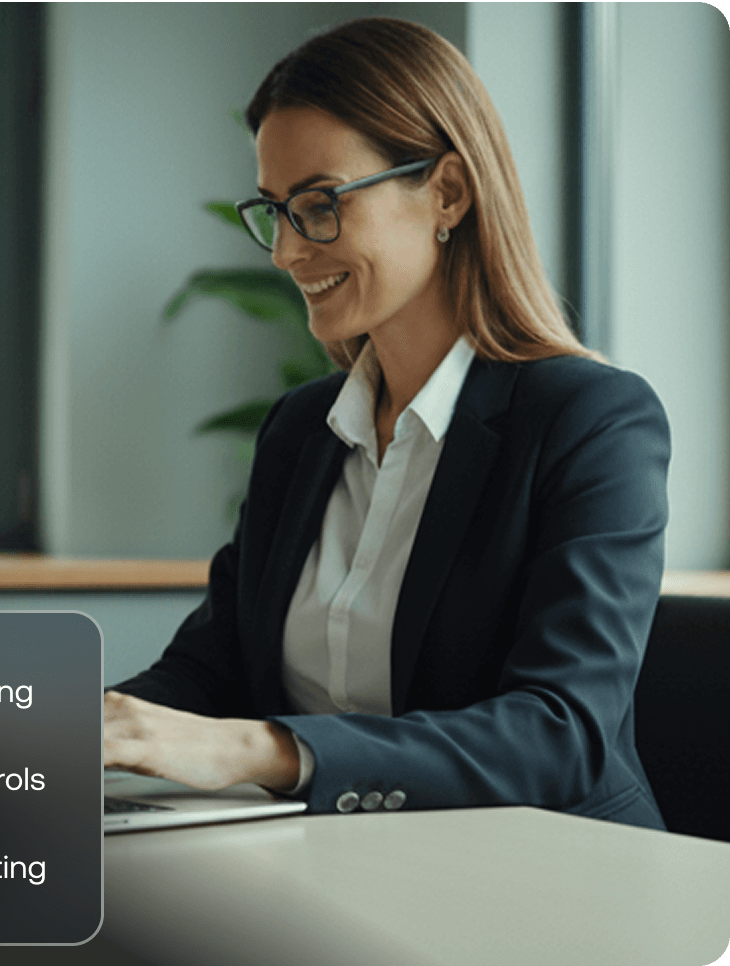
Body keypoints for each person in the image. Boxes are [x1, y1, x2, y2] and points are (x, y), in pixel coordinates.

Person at [103, 17, 669, 829]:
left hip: (556, 879)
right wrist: (62, 733)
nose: (287, 253)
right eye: (275, 211)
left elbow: (561, 733)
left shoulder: (592, 422)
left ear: (447, 192)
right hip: (339, 862)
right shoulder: (303, 432)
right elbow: (209, 668)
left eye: (320, 204)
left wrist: (261, 751)